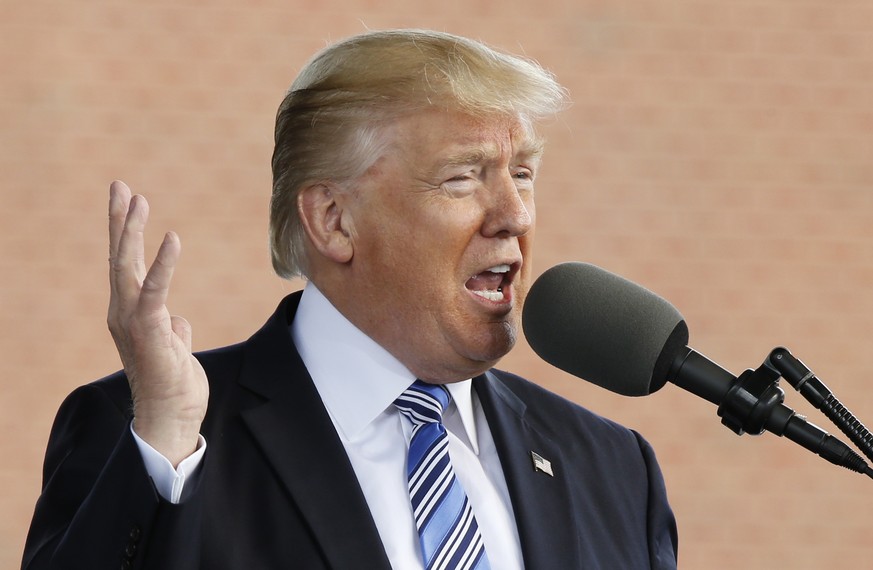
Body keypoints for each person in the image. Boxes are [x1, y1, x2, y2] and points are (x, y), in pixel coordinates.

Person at [22, 29, 678, 569]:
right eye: (462, 178)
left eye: (523, 175)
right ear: (334, 220)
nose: (512, 214)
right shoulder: (150, 434)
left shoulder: (613, 467)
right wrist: (161, 448)